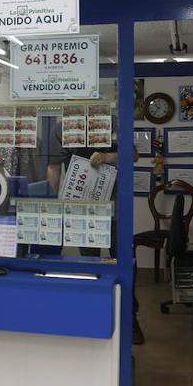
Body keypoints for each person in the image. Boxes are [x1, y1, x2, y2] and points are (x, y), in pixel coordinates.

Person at [46, 112, 147, 345]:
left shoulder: (114, 122)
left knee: (122, 260)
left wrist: (110, 156)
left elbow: (133, 155)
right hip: (83, 206)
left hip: (116, 207)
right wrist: (51, 203)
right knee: (89, 263)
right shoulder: (63, 129)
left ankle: (131, 319)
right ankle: (95, 315)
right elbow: (53, 167)